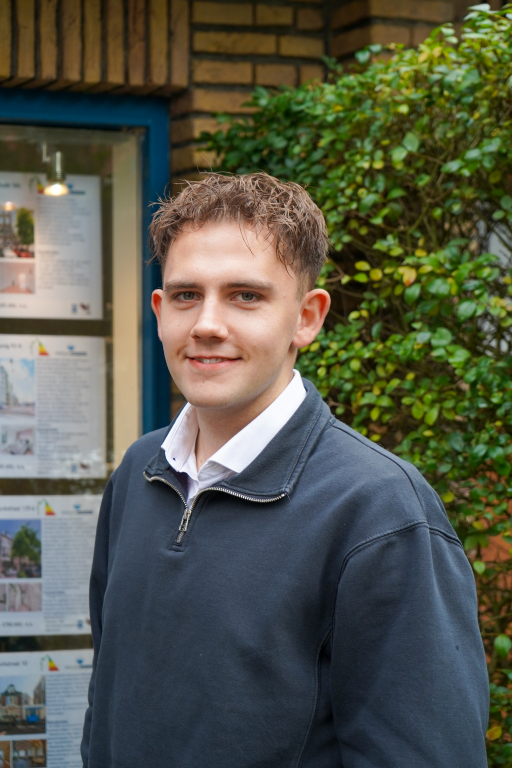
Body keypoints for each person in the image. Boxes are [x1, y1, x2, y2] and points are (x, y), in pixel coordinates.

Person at [81, 173, 489, 767]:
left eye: (245, 296)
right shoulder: (140, 472)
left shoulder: (380, 510)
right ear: (160, 311)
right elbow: (107, 706)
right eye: (187, 294)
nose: (207, 324)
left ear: (307, 318)